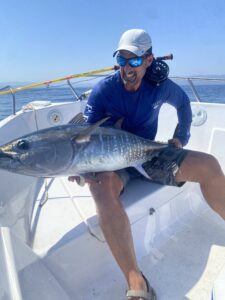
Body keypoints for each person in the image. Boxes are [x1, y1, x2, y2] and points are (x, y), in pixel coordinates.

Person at [69, 29, 225, 300]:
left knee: (210, 165)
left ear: (149, 60)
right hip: (112, 164)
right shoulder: (104, 91)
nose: (126, 68)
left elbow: (184, 104)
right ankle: (137, 283)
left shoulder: (160, 87)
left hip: (147, 154)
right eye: (121, 59)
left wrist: (180, 137)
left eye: (134, 61)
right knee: (100, 187)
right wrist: (81, 167)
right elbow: (85, 133)